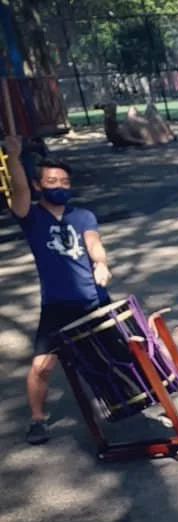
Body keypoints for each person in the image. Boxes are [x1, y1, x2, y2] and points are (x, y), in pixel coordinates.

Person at [5, 135, 112, 445]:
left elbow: (93, 242)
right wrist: (13, 157)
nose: (60, 186)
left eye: (65, 181)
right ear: (40, 185)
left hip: (94, 299)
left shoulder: (83, 216)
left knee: (125, 350)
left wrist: (101, 263)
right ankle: (37, 420)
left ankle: (156, 387)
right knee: (42, 365)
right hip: (57, 305)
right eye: (52, 181)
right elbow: (19, 190)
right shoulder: (32, 217)